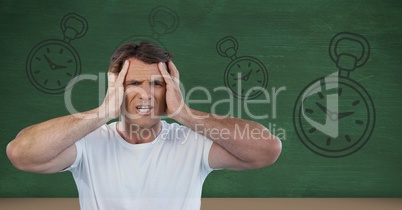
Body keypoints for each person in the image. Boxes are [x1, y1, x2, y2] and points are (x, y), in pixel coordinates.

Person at [6, 42, 282, 210]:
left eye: (157, 83)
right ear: (116, 88)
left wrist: (185, 114)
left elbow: (267, 150)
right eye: (133, 83)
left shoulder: (191, 142)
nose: (147, 94)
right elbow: (21, 153)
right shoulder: (89, 142)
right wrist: (103, 113)